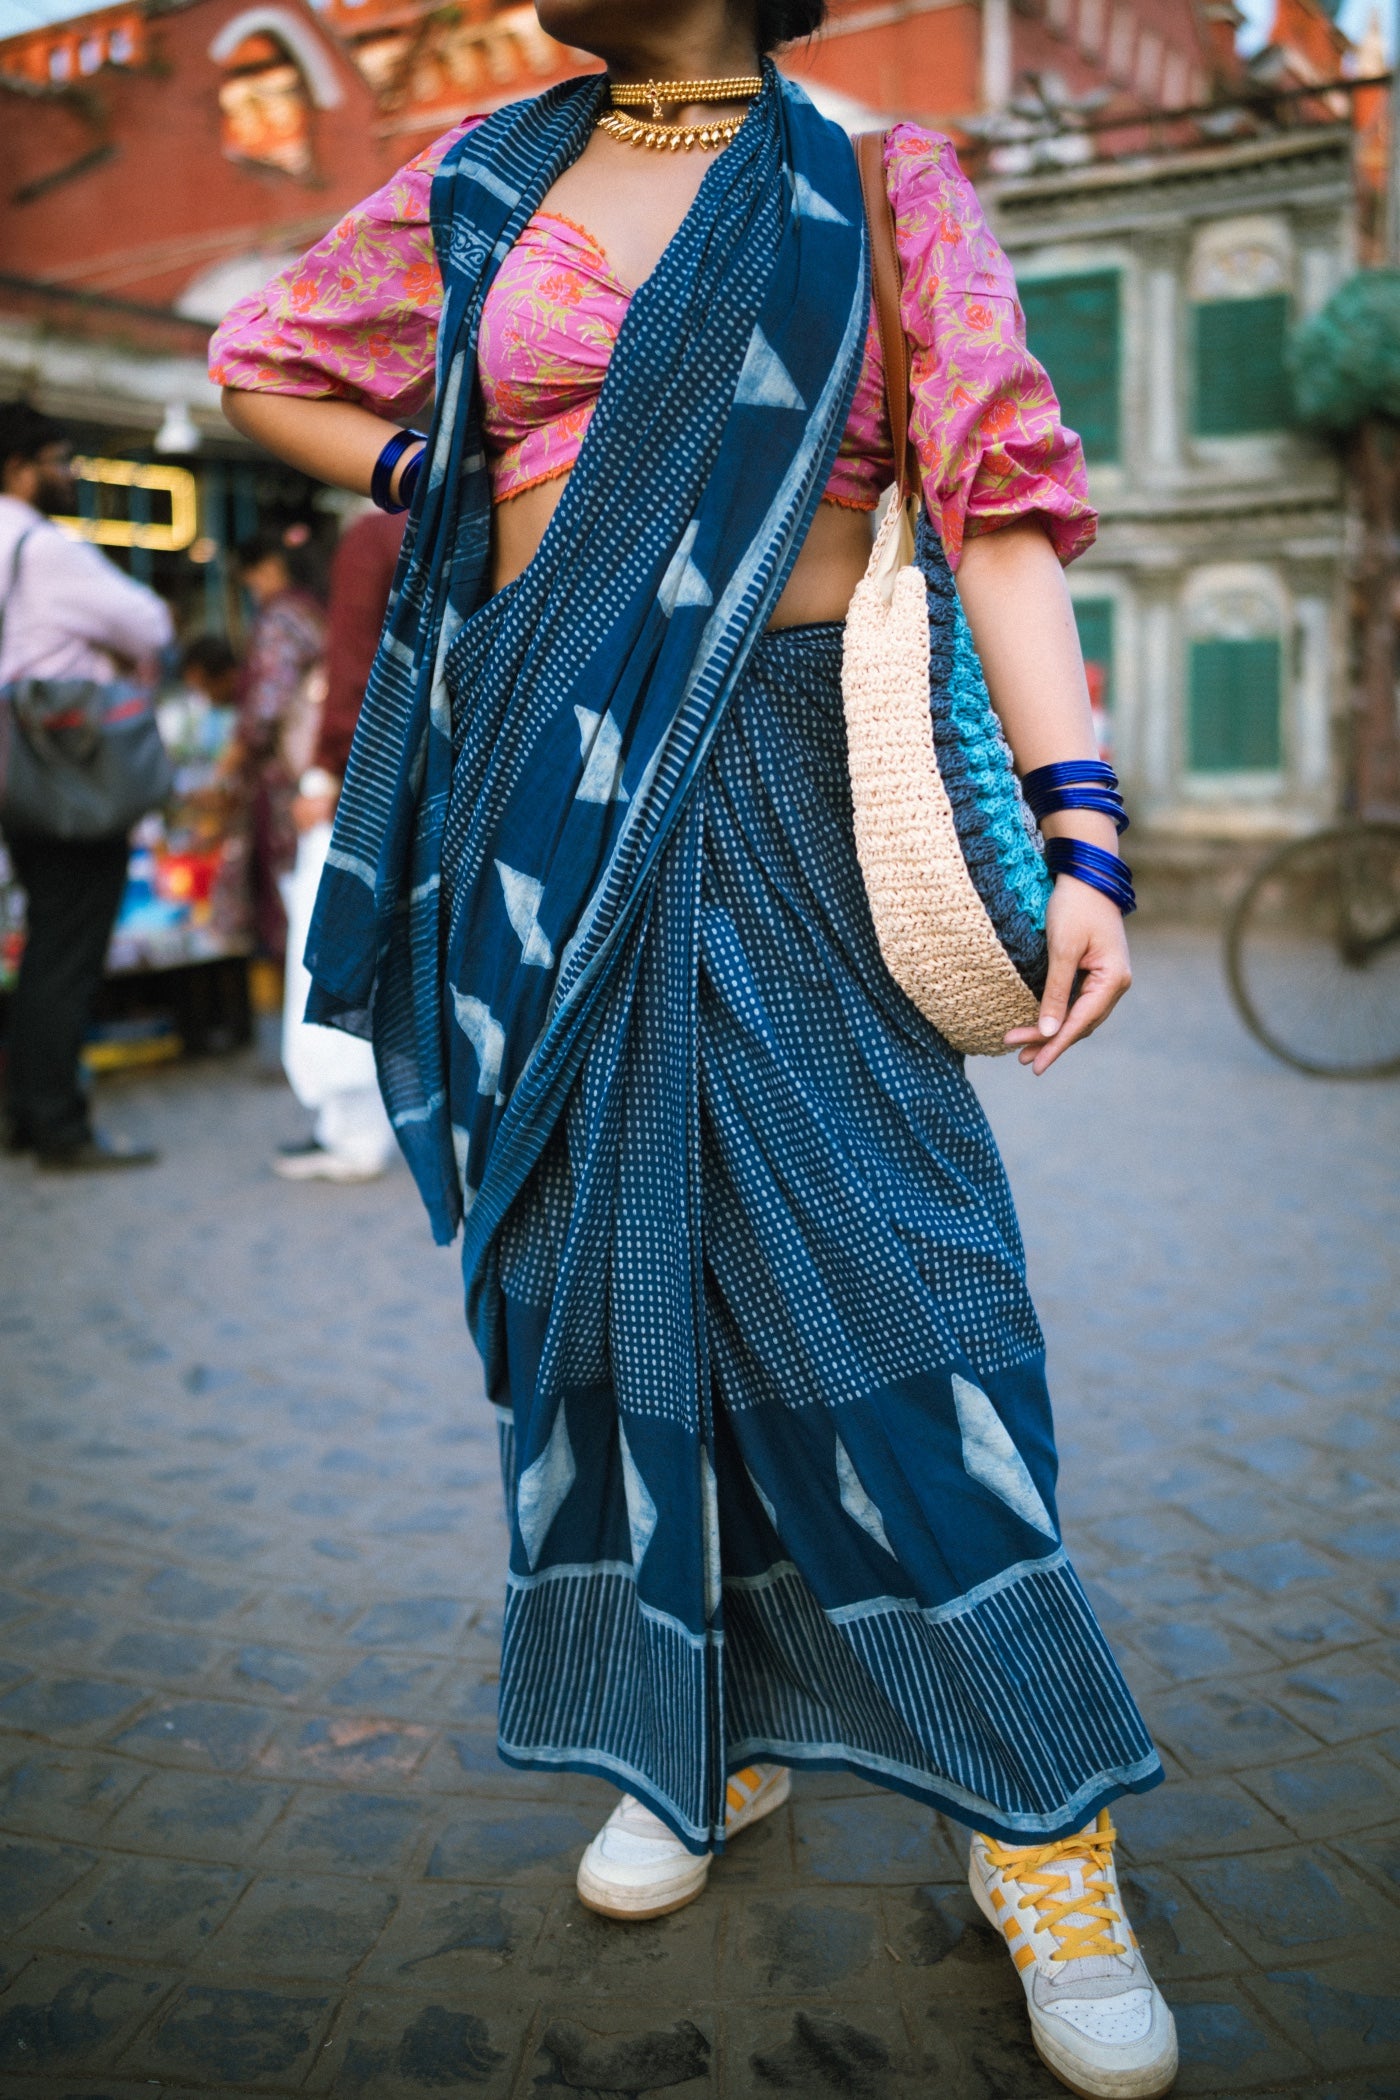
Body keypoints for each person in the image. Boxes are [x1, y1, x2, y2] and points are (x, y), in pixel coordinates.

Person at [211, 8, 1178, 2094]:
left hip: (786, 776)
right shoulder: (484, 177)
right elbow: (270, 364)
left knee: (892, 1284)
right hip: (531, 801)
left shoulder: (875, 180)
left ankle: (1042, 1828)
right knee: (595, 1276)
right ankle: (694, 1736)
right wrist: (438, 466)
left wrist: (1079, 822)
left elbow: (993, 496)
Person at [0, 401, 172, 1170]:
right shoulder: (42, 548)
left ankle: (25, 1116)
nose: (65, 473)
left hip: (16, 770)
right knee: (67, 951)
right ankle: (60, 1127)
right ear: (20, 467)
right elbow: (150, 624)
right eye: (58, 458)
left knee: (42, 942)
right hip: (67, 770)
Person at [274, 506, 402, 1183]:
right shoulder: (472, 506)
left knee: (333, 946)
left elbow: (353, 665)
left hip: (369, 775)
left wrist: (325, 768)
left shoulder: (372, 535)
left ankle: (350, 1126)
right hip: (452, 765)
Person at [229, 526, 326, 964]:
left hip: (288, 774)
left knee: (291, 884)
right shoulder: (313, 610)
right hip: (319, 768)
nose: (250, 590)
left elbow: (268, 702)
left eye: (249, 579)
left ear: (268, 569)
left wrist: (242, 749)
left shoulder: (279, 620)